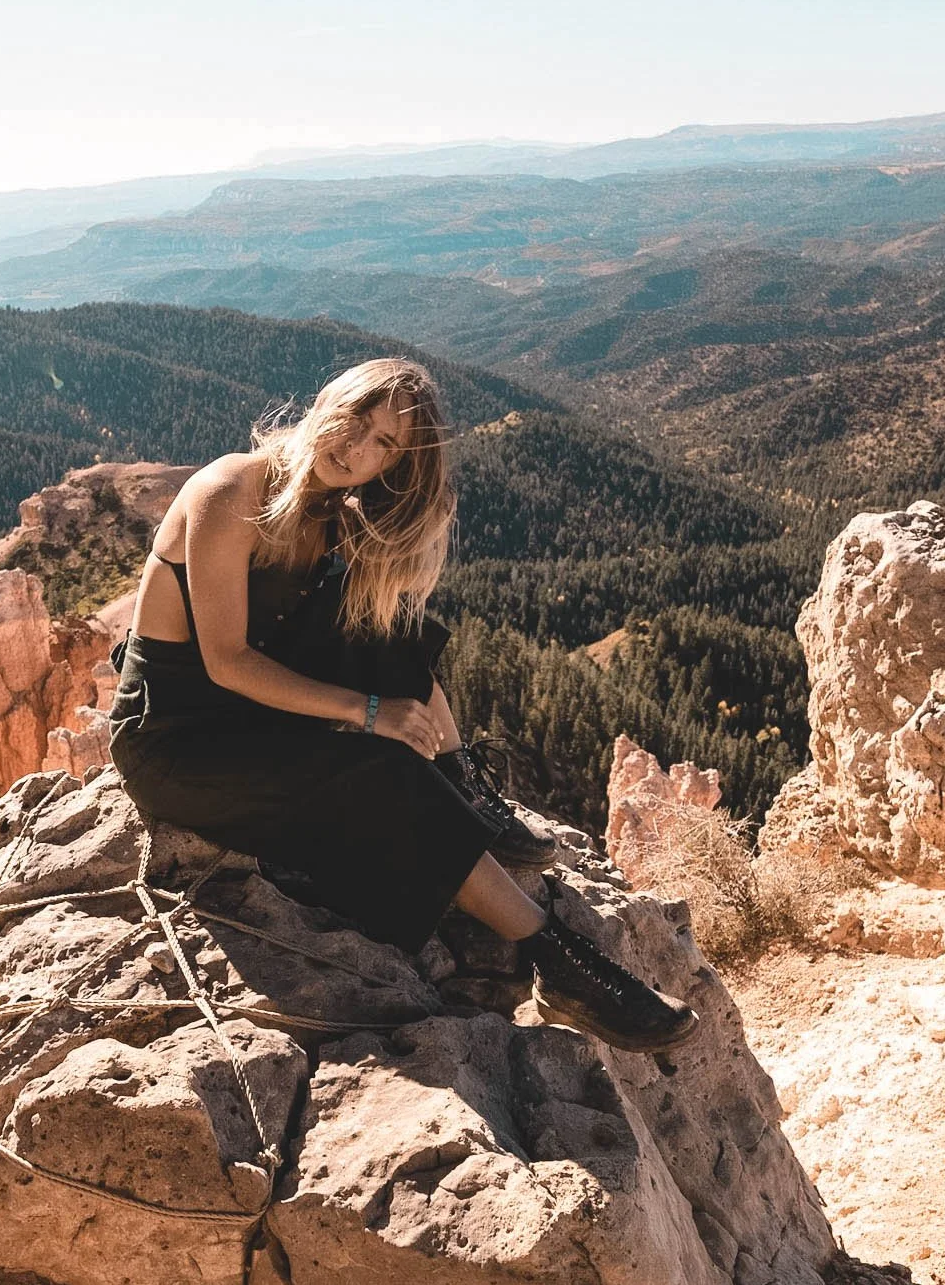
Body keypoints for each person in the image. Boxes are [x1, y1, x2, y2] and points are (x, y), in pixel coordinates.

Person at [105, 357, 697, 1053]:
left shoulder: (332, 514)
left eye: (384, 444)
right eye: (357, 419)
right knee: (379, 769)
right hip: (176, 741)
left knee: (391, 627)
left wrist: (403, 548)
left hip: (246, 719)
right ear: (327, 401)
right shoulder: (227, 490)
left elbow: (387, 628)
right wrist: (366, 710)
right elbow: (226, 662)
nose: (356, 448)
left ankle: (461, 789)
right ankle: (558, 961)